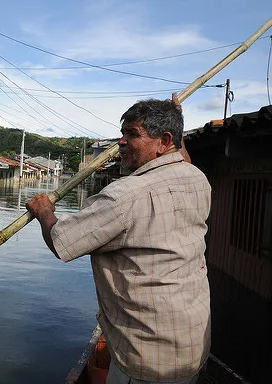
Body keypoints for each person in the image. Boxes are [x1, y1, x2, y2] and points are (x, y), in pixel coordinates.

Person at [26, 95, 211, 384]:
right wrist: (176, 117)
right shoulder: (196, 178)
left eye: (132, 134)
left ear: (164, 141)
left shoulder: (124, 196)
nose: (120, 142)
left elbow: (62, 241)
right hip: (191, 344)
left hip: (146, 359)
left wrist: (44, 211)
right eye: (122, 133)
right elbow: (181, 156)